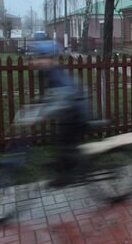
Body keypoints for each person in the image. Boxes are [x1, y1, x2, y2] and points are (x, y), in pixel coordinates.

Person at [30, 40, 89, 187]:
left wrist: (41, 114)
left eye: (44, 57)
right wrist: (39, 103)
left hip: (76, 114)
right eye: (39, 57)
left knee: (65, 144)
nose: (40, 61)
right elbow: (52, 95)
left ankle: (68, 175)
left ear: (52, 59)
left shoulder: (56, 74)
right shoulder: (49, 73)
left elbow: (62, 99)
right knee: (59, 141)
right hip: (67, 113)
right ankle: (69, 167)